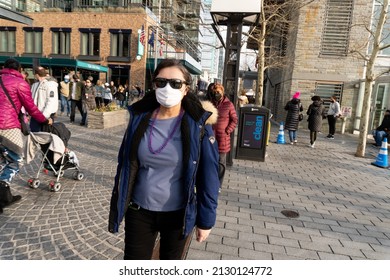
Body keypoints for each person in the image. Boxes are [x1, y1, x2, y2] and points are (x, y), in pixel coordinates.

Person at [108, 59, 220, 260]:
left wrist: (206, 220)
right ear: (154, 85)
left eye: (176, 83)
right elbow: (125, 164)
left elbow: (209, 176)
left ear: (186, 89)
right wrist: (118, 203)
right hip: (139, 210)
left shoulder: (199, 125)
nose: (167, 88)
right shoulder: (139, 118)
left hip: (178, 215)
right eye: (161, 82)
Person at [0, 58, 53, 214]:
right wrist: (45, 119)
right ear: (19, 69)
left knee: (3, 159)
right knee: (16, 160)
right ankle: (2, 192)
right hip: (8, 126)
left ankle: (4, 194)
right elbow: (31, 107)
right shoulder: (20, 83)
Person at [209, 83, 238, 188]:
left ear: (222, 92)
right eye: (214, 92)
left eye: (218, 92)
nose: (216, 94)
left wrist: (227, 130)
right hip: (211, 137)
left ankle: (219, 184)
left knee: (221, 162)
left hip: (223, 138)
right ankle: (211, 182)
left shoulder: (228, 104)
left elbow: (234, 120)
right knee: (211, 160)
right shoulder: (210, 104)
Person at [30, 66, 59, 132]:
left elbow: (51, 101)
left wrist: (45, 116)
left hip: (45, 115)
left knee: (45, 135)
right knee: (34, 134)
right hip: (35, 114)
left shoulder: (50, 85)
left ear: (36, 75)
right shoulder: (34, 85)